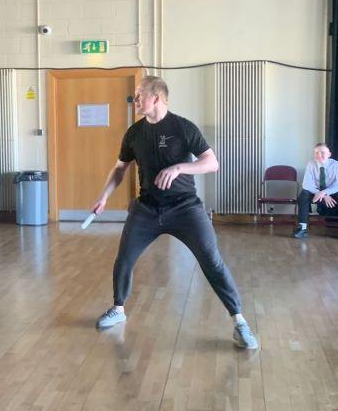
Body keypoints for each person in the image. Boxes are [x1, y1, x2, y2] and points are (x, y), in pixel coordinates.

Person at [90, 75, 258, 349]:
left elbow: (211, 163)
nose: (135, 100)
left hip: (185, 207)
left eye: (139, 95)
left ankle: (239, 322)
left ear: (155, 97)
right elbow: (120, 168)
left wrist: (180, 167)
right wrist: (104, 195)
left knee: (212, 260)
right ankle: (118, 308)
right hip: (147, 208)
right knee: (124, 258)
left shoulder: (183, 127)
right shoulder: (134, 133)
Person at [291, 143, 338, 240]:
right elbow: (306, 184)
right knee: (304, 194)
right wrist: (321, 194)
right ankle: (302, 228)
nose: (319, 155)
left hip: (331, 192)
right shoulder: (311, 164)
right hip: (316, 192)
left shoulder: (336, 165)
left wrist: (325, 192)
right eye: (317, 153)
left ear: (329, 154)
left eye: (322, 152)